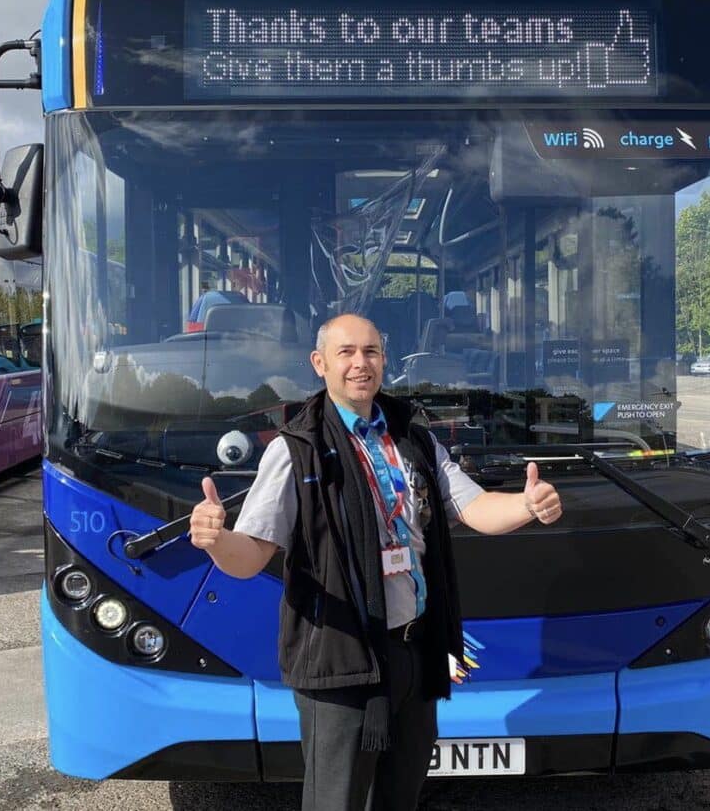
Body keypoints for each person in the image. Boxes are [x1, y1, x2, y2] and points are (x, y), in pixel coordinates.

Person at [190, 313, 563, 810]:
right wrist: (216, 540)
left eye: (371, 352)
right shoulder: (296, 450)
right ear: (319, 364)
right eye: (346, 353)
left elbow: (473, 507)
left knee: (399, 799)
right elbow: (251, 555)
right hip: (341, 663)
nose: (360, 364)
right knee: (336, 803)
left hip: (413, 652)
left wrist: (526, 505)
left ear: (385, 361)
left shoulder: (413, 437)